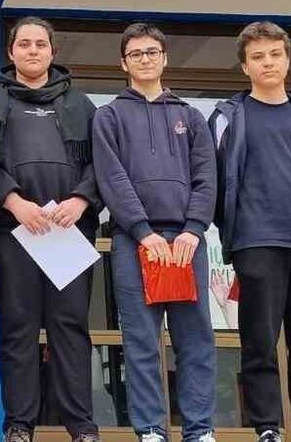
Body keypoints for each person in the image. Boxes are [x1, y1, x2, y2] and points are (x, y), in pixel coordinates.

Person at [208, 21, 291, 442]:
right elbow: (216, 179)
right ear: (244, 67)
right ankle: (267, 427)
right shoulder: (227, 117)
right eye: (258, 57)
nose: (268, 63)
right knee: (259, 342)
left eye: (275, 54)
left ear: (287, 59)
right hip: (256, 242)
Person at [0, 17, 101, 442]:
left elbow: (101, 163)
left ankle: (81, 426)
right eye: (24, 44)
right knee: (18, 328)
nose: (32, 50)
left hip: (69, 231)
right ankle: (19, 424)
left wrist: (80, 200)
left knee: (70, 327)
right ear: (10, 52)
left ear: (52, 52)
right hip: (13, 231)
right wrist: (14, 202)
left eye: (40, 44)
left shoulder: (81, 105)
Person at [92, 23, 217, 442]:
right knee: (141, 341)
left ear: (164, 58)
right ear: (122, 63)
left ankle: (199, 429)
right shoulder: (109, 116)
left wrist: (194, 229)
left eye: (151, 52)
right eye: (136, 54)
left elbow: (206, 178)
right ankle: (150, 429)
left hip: (186, 243)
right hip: (134, 242)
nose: (144, 59)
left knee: (195, 340)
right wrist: (143, 232)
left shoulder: (190, 116)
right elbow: (112, 178)